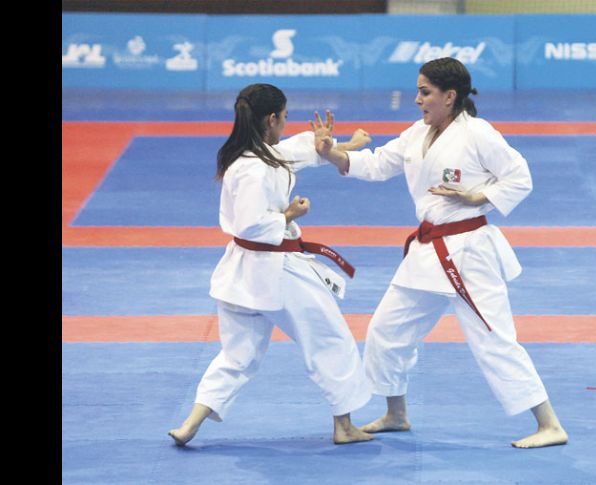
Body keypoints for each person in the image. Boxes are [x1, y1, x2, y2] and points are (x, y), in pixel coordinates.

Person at [313, 57, 568, 448]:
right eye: (418, 90)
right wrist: (331, 153)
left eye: (424, 91)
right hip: (427, 251)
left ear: (450, 97)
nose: (417, 99)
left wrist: (477, 195)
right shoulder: (417, 134)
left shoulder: (478, 134)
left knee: (493, 338)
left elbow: (520, 177)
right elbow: (378, 163)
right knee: (386, 330)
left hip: (469, 252)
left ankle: (550, 424)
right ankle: (396, 413)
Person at [168, 83, 374, 446]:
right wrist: (288, 214)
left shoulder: (255, 154)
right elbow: (251, 224)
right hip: (276, 271)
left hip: (240, 274)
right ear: (271, 118)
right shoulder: (254, 169)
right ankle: (344, 426)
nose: (287, 124)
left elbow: (297, 151)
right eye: (286, 117)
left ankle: (190, 425)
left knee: (237, 354)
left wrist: (344, 145)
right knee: (330, 339)